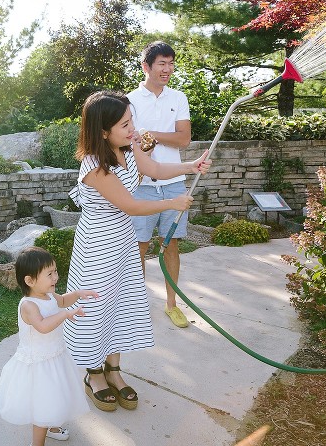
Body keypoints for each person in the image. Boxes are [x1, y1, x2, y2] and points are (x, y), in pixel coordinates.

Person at [63, 90, 210, 412]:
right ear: (103, 131)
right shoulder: (93, 166)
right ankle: (93, 374)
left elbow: (155, 170)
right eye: (125, 124)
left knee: (121, 305)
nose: (133, 129)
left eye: (132, 121)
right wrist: (172, 202)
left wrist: (192, 166)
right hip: (98, 246)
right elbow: (129, 204)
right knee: (96, 308)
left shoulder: (127, 149)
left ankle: (114, 369)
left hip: (124, 244)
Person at [0, 246, 99, 446]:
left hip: (55, 357)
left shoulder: (49, 296)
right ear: (30, 280)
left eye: (55, 272)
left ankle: (52, 427)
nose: (55, 277)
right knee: (43, 404)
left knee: (55, 398)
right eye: (49, 274)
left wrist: (78, 294)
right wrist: (66, 314)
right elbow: (43, 326)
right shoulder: (29, 305)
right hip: (38, 365)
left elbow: (62, 301)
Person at [128, 41, 193, 328]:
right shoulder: (129, 101)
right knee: (138, 247)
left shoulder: (178, 98)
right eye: (161, 64)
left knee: (171, 245)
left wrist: (150, 134)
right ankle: (137, 306)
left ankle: (171, 304)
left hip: (174, 183)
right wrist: (142, 140)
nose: (168, 69)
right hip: (141, 184)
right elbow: (129, 142)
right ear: (146, 67)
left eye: (171, 63)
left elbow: (183, 139)